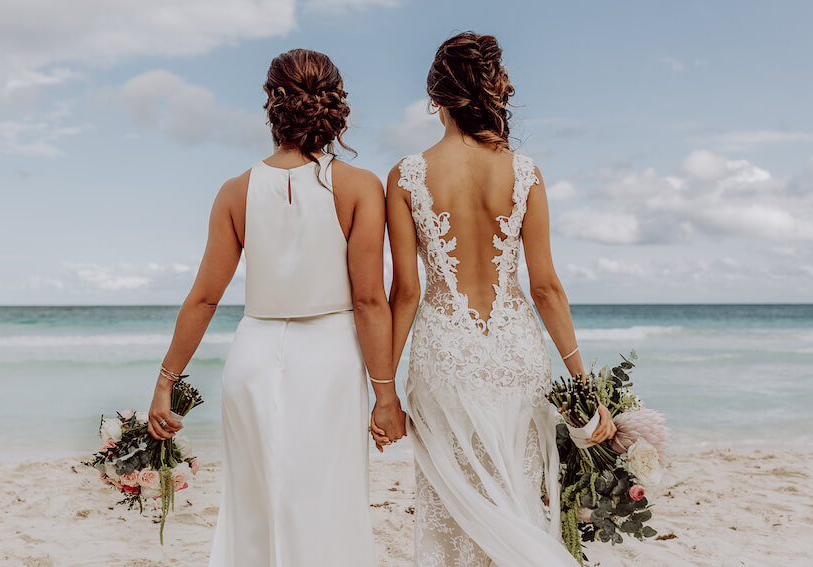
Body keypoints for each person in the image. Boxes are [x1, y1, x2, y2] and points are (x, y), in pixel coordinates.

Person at [145, 48, 406, 566]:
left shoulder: (235, 192)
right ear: (333, 106)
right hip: (330, 360)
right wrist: (385, 395)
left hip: (254, 356)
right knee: (329, 502)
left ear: (271, 103)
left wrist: (165, 382)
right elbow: (370, 299)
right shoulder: (358, 186)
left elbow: (204, 298)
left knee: (254, 504)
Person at [383, 32, 616, 566]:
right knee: (516, 493)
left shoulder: (405, 176)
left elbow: (405, 293)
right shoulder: (525, 173)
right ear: (491, 94)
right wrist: (581, 382)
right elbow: (545, 287)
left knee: (454, 498)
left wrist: (385, 391)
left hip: (445, 352)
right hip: (515, 350)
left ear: (436, 99)